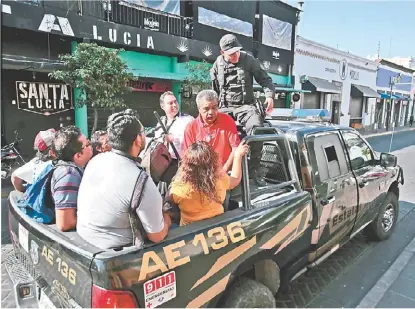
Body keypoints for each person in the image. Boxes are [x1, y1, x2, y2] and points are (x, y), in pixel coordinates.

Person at [77, 109, 171, 250]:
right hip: (118, 253)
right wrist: (167, 218)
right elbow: (157, 236)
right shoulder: (140, 181)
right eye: (142, 132)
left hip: (84, 238)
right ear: (138, 140)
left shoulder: (95, 160)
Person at [210, 34, 276, 186]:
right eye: (231, 53)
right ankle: (216, 168)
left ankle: (254, 169)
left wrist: (270, 96)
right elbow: (214, 91)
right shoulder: (216, 65)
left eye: (237, 51)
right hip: (225, 106)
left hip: (245, 106)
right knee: (212, 128)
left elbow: (265, 80)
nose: (236, 55)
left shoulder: (248, 60)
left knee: (257, 128)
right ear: (222, 53)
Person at [167, 140, 249, 226]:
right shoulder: (219, 180)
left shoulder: (179, 187)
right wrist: (237, 156)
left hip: (189, 235)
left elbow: (168, 203)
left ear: (187, 164)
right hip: (217, 230)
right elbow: (235, 180)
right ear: (212, 161)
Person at [182, 90, 240, 172]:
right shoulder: (191, 127)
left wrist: (224, 170)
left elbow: (235, 148)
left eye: (214, 107)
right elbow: (188, 156)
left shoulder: (227, 120)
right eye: (206, 109)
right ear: (199, 109)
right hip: (201, 175)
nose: (211, 112)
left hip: (226, 173)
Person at [51, 126, 93, 231]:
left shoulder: (71, 169)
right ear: (78, 155)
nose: (91, 145)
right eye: (87, 144)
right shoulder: (69, 175)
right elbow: (65, 223)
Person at [155, 91, 194, 182]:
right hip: (164, 165)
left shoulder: (188, 120)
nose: (174, 105)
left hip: (183, 164)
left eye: (175, 102)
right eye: (170, 103)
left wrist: (175, 138)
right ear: (162, 106)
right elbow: (156, 143)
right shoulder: (160, 122)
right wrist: (164, 139)